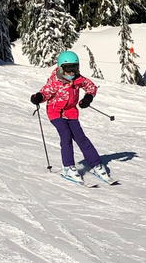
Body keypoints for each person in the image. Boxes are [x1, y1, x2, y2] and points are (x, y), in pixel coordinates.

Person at [30, 51, 109, 181]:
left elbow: (91, 87)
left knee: (80, 137)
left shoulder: (78, 79)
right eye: (68, 69)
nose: (71, 72)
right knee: (66, 135)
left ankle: (96, 164)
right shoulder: (55, 81)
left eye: (74, 68)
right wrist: (38, 97)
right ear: (61, 68)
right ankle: (68, 167)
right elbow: (45, 93)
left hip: (71, 112)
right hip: (55, 112)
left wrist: (88, 98)